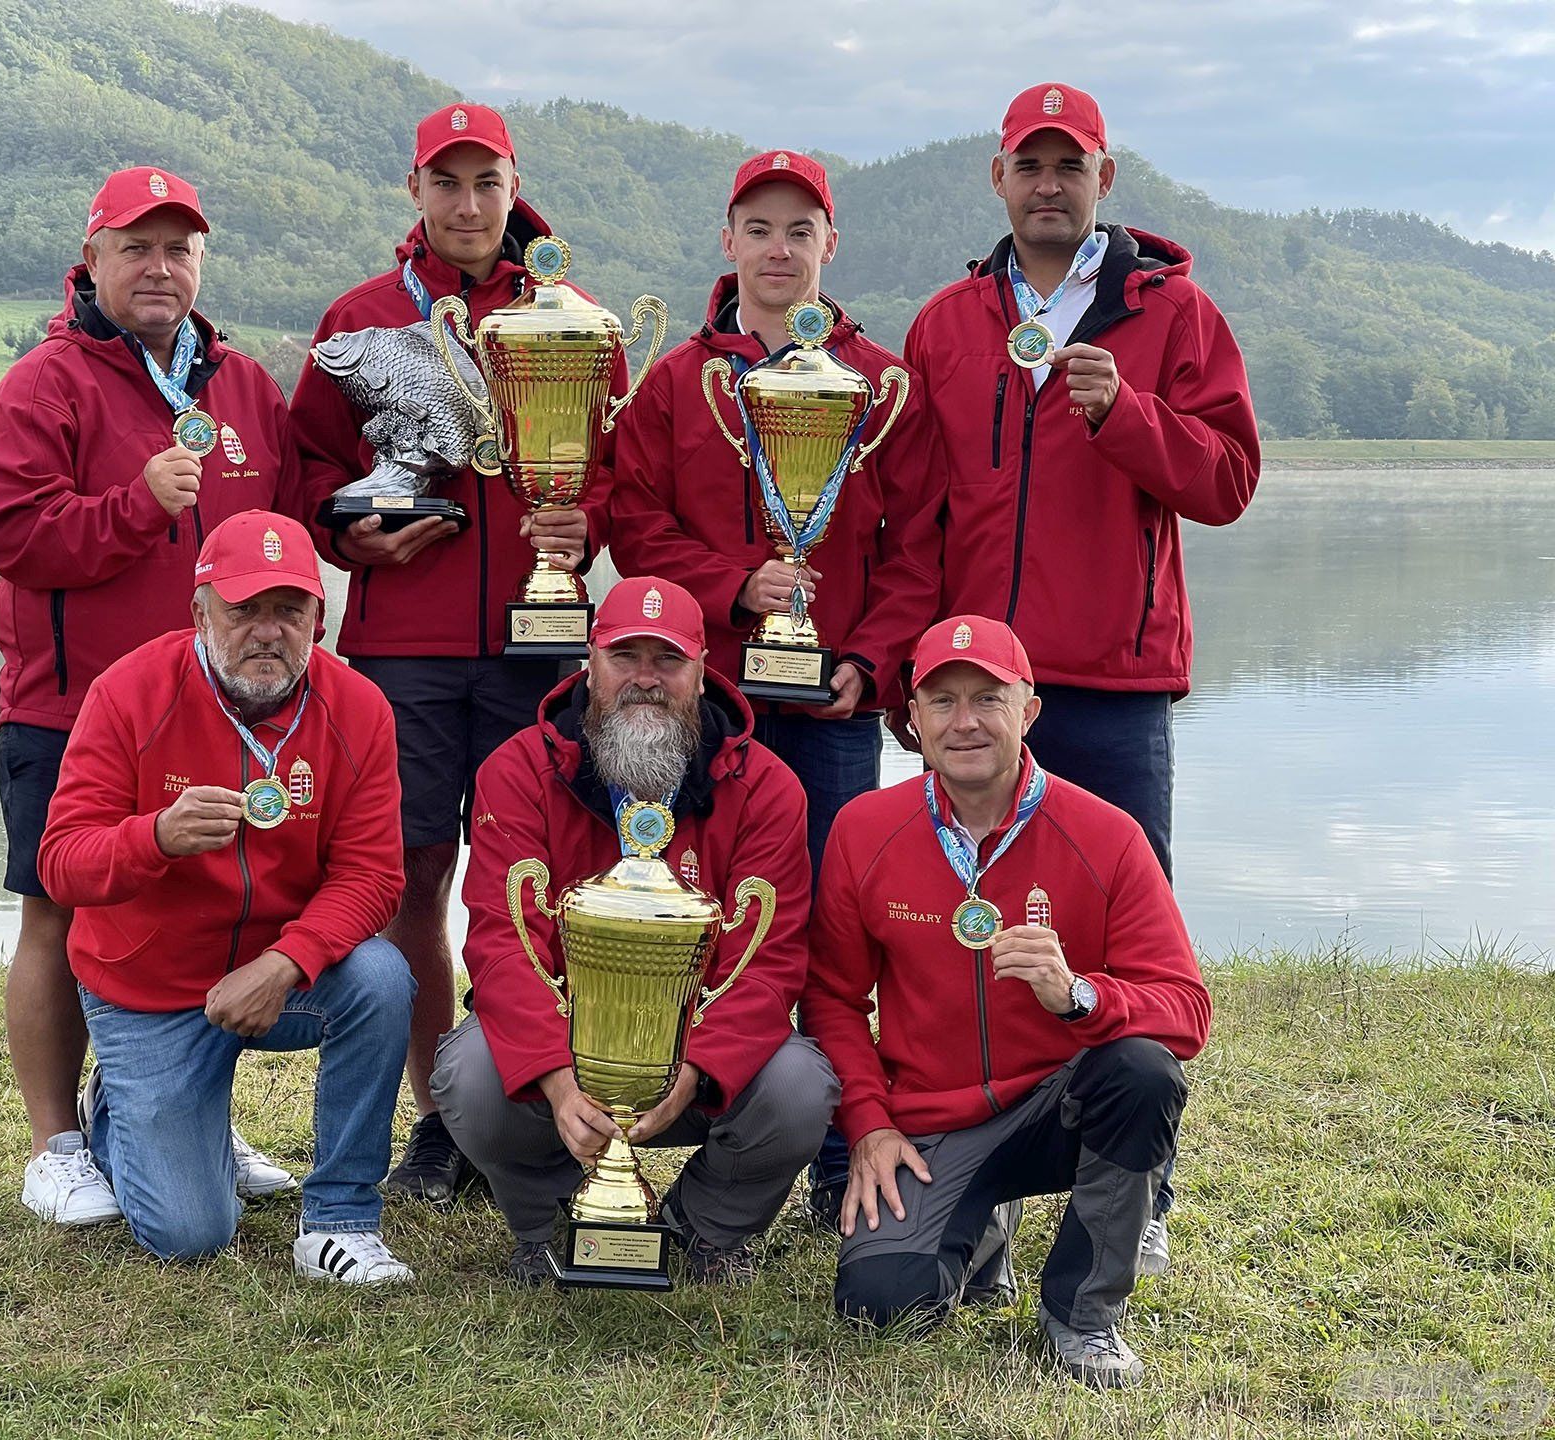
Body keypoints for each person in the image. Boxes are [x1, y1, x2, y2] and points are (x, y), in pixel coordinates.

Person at [285, 103, 622, 1206]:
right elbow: (308, 476)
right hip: (406, 651)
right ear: (416, 190)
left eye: (488, 182)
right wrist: (349, 532)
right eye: (449, 182)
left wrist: (587, 523)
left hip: (546, 648)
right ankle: (441, 1118)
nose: (470, 204)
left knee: (553, 888)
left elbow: (627, 463)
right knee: (412, 880)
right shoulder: (362, 316)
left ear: (513, 183)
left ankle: (553, 1101)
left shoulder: (569, 313)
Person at [0, 165, 302, 1225]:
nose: (159, 267)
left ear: (200, 263)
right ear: (94, 258)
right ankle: (55, 1143)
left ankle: (187, 1113)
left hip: (219, 714)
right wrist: (131, 504)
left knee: (206, 918)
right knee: (57, 915)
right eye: (136, 247)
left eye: (179, 249)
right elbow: (11, 536)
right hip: (70, 712)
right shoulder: (44, 384)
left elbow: (286, 533)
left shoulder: (242, 386)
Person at [801, 615, 1210, 1387]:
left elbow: (1186, 1010)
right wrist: (870, 1125)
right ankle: (981, 1227)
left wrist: (1079, 995)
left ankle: (1084, 1316)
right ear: (911, 720)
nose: (965, 722)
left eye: (988, 698)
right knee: (880, 1305)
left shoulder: (1108, 834)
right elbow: (831, 1001)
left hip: (1059, 1106)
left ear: (1028, 711)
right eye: (942, 701)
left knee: (1142, 1072)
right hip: (932, 1120)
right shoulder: (865, 830)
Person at [36, 510, 416, 1281]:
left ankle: (339, 1219)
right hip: (150, 991)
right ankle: (121, 1102)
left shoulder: (360, 708)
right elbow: (61, 865)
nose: (269, 632)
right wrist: (155, 838)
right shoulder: (128, 693)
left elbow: (373, 876)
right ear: (200, 611)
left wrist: (285, 965)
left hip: (277, 979)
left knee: (380, 978)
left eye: (291, 610)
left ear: (321, 614)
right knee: (190, 1234)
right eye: (244, 610)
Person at [899, 82, 1260, 881]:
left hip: (1114, 681)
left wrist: (1127, 416)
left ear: (1107, 176)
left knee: (1122, 905)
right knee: (969, 905)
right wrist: (910, 668)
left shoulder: (1177, 314)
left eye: (1072, 164)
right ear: (999, 177)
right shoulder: (943, 322)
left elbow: (1228, 484)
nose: (1050, 184)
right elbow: (916, 520)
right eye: (1030, 165)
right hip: (975, 680)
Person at [431, 577, 836, 1284]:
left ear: (703, 670)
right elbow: (500, 941)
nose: (645, 679)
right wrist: (555, 1079)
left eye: (668, 660)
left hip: (691, 1058)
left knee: (800, 1085)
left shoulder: (769, 787)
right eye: (625, 656)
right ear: (589, 662)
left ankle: (701, 1232)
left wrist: (697, 1071)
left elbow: (769, 965)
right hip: (569, 1048)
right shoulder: (518, 770)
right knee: (469, 1074)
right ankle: (550, 1226)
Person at [609, 149, 939, 877]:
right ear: (729, 241)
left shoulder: (882, 386)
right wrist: (733, 586)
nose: (779, 249)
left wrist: (868, 663)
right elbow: (637, 528)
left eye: (800, 229)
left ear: (831, 241)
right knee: (698, 899)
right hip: (705, 697)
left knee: (832, 912)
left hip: (833, 706)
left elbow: (917, 551)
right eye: (759, 229)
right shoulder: (675, 383)